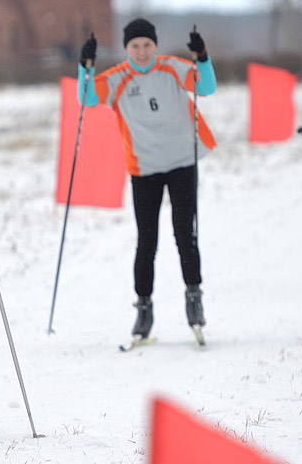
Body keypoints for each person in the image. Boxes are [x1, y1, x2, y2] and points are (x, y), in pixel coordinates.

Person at [76, 19, 217, 342]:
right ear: (127, 49)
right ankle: (144, 309)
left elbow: (206, 88)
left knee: (185, 234)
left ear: (155, 46)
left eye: (147, 46)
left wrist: (203, 57)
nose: (141, 52)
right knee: (147, 242)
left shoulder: (172, 68)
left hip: (182, 162)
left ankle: (194, 301)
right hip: (145, 168)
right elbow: (87, 99)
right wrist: (86, 66)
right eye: (135, 46)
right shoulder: (117, 78)